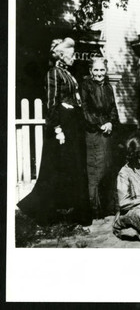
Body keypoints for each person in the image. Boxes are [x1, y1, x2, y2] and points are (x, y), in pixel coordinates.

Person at [17, 38, 92, 226]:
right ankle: (46, 212)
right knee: (57, 169)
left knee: (74, 167)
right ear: (61, 55)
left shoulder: (68, 73)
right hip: (62, 128)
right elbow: (51, 103)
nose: (74, 58)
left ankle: (76, 213)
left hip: (74, 125)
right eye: (72, 54)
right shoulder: (53, 74)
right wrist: (57, 128)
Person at [81, 56, 119, 218]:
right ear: (90, 71)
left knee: (108, 168)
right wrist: (99, 124)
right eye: (95, 70)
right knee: (95, 170)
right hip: (93, 132)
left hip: (107, 132)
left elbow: (112, 108)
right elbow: (84, 110)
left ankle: (108, 207)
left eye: (102, 70)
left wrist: (110, 122)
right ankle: (95, 209)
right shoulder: (86, 86)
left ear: (106, 71)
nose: (99, 73)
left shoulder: (109, 87)